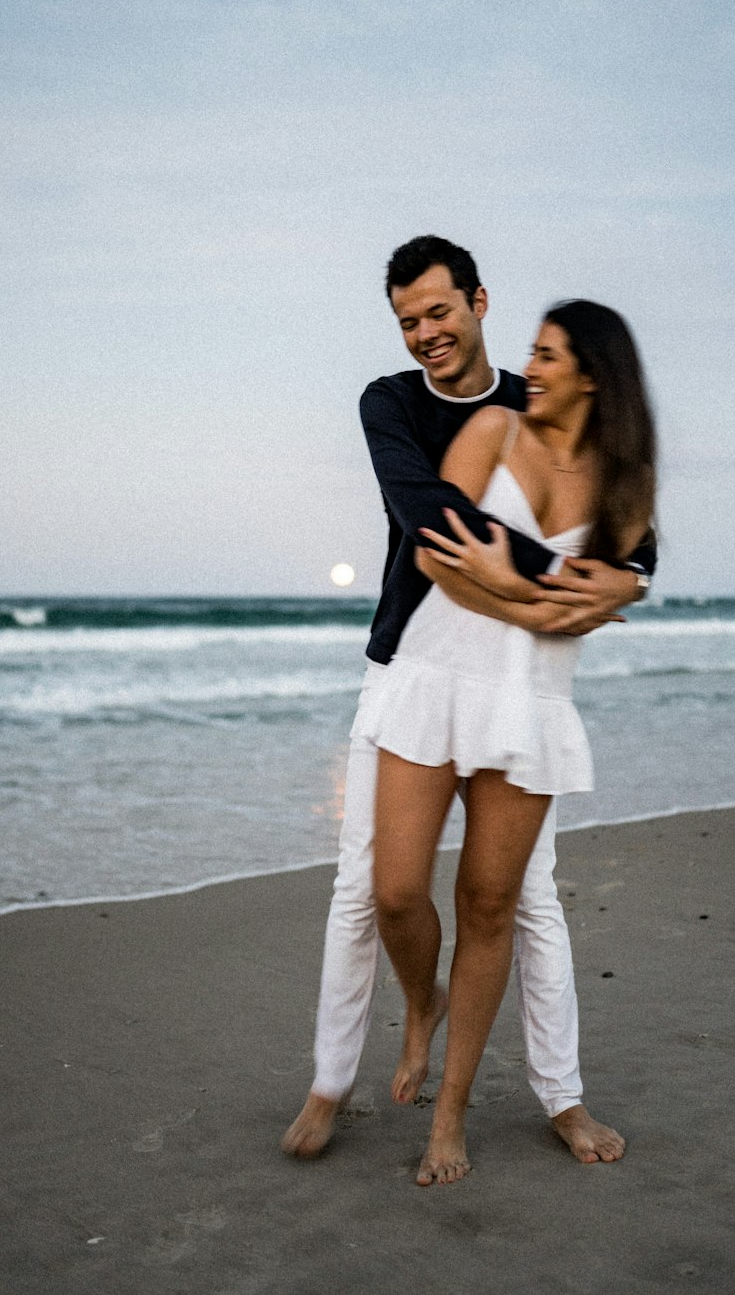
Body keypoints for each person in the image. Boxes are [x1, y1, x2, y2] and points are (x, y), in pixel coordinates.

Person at [281, 236, 655, 1164]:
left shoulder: (540, 403)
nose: (425, 334)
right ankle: (344, 1069)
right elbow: (429, 521)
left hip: (523, 693)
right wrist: (574, 586)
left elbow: (632, 521)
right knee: (371, 888)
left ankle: (560, 1097)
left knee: (523, 903)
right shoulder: (394, 403)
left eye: (438, 313)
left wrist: (632, 577)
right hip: (411, 665)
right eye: (408, 321)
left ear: (479, 303)